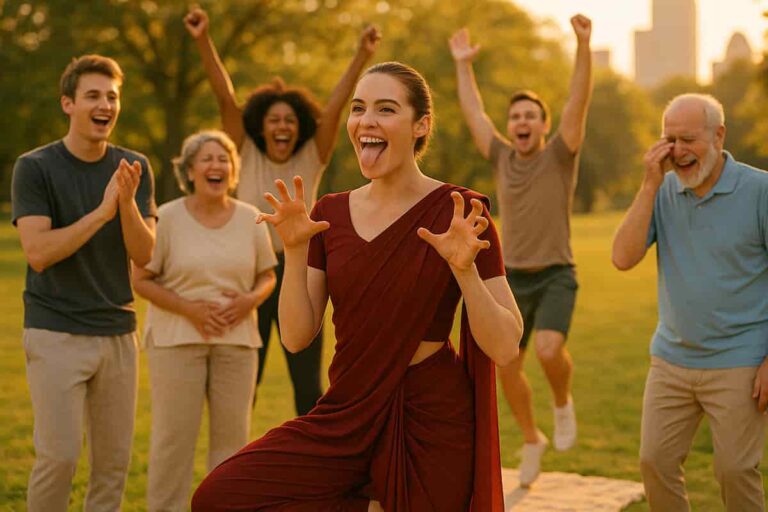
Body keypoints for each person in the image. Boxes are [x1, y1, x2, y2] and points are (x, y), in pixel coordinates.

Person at [191, 61, 522, 511]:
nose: (366, 121)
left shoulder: (460, 211)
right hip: (346, 411)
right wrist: (293, 251)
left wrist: (465, 272)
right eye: (359, 108)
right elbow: (295, 335)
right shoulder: (331, 213)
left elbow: (504, 347)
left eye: (386, 109)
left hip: (431, 415)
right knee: (221, 495)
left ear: (420, 124)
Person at [184, 7, 381, 416]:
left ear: (300, 127)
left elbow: (336, 105)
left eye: (290, 120)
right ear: (261, 126)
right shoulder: (246, 151)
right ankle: (236, 466)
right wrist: (203, 39)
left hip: (301, 273)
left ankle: (315, 471)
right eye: (274, 120)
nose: (282, 127)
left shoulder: (313, 154)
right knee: (244, 382)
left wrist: (362, 55)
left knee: (308, 387)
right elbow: (225, 97)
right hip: (250, 273)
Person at [449, 14, 593, 486]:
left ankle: (562, 402)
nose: (521, 121)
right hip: (512, 277)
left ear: (544, 126)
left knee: (551, 351)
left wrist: (583, 45)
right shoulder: (502, 156)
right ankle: (532, 439)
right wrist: (463, 65)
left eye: (531, 115)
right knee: (506, 362)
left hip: (556, 273)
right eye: (515, 116)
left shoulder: (559, 155)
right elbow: (475, 115)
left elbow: (578, 101)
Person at [11, 55, 156, 511]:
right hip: (55, 332)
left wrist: (127, 203)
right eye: (93, 95)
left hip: (117, 333)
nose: (105, 105)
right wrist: (101, 213)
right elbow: (38, 253)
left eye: (112, 96)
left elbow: (145, 254)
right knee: (60, 457)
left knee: (112, 465)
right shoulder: (34, 168)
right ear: (68, 104)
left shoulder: (135, 166)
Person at [612, 93, 768, 511]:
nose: (679, 151)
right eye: (670, 140)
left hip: (741, 360)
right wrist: (649, 184)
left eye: (688, 139)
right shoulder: (662, 190)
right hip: (671, 360)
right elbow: (623, 258)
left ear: (719, 135)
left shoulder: (760, 191)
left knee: (735, 471)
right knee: (654, 462)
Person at [132, 130, 277, 511]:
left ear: (233, 171)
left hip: (238, 344)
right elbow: (141, 279)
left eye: (224, 159)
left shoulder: (251, 218)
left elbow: (268, 275)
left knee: (234, 446)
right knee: (172, 442)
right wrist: (188, 309)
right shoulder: (164, 216)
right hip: (176, 342)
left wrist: (249, 301)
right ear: (191, 170)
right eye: (208, 158)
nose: (217, 165)